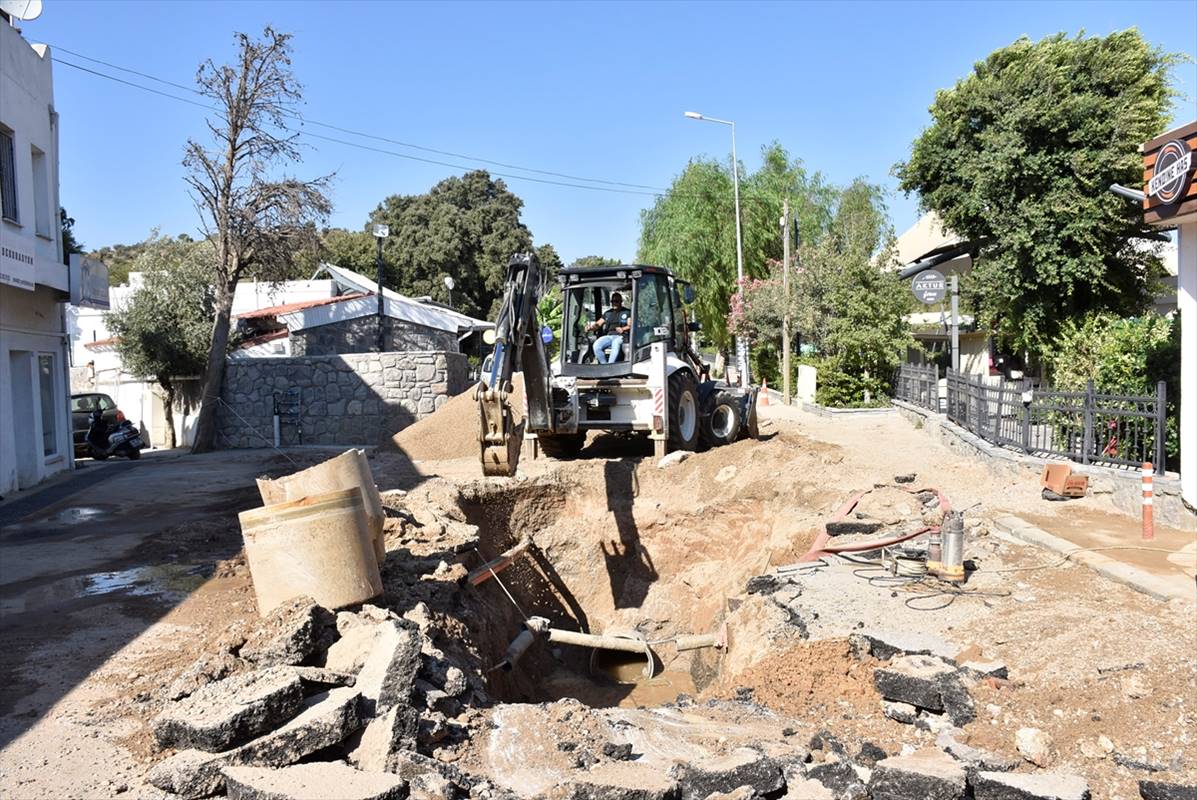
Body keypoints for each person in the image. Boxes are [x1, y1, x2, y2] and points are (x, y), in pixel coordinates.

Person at [587, 291, 631, 364]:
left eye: (616, 301)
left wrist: (623, 329)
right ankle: (604, 365)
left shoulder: (627, 312)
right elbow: (598, 324)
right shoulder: (608, 313)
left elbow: (630, 325)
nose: (614, 303)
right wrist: (590, 328)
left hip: (622, 336)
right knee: (596, 345)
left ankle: (610, 364)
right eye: (612, 301)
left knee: (615, 343)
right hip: (609, 336)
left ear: (621, 302)